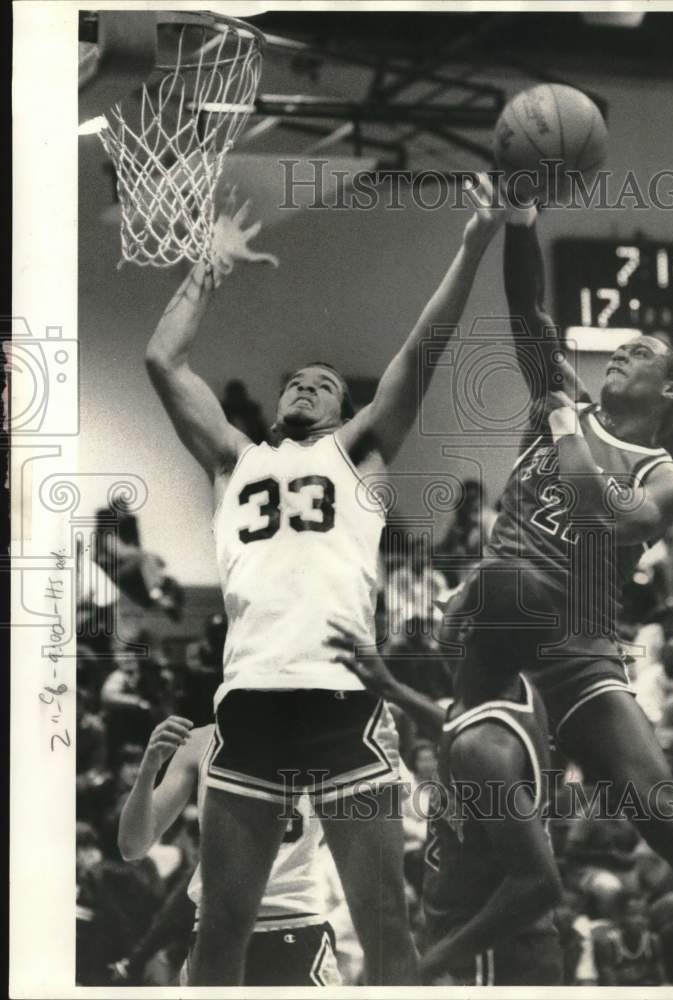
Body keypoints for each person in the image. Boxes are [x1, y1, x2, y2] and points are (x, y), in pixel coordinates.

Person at [144, 179, 506, 984]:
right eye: (296, 380)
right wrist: (206, 267)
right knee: (220, 932)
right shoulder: (235, 459)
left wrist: (473, 241)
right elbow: (161, 360)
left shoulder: (360, 453)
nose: (306, 384)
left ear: (347, 408)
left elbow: (427, 344)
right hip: (251, 699)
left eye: (325, 383)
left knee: (384, 929)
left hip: (340, 695)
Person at [438, 201, 673, 982]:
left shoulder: (665, 476)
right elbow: (526, 308)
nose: (621, 352)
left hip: (577, 652)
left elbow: (602, 516)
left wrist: (562, 421)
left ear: (672, 390)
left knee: (663, 809)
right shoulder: (560, 399)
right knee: (505, 580)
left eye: (641, 351)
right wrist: (517, 218)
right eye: (621, 344)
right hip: (498, 626)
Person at [328, 621, 563, 986]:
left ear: (469, 632)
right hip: (492, 946)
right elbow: (459, 732)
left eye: (457, 603)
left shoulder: (483, 748)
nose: (443, 613)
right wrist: (393, 688)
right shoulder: (509, 695)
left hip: (492, 959)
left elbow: (541, 881)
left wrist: (432, 963)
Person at [118, 715, 342, 986]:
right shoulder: (199, 742)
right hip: (217, 929)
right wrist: (149, 769)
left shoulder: (328, 741)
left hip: (293, 919)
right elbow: (131, 845)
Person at [593, 893, 666, 986]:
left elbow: (663, 982)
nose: (640, 920)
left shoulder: (653, 941)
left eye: (644, 915)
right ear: (620, 917)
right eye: (633, 914)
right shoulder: (608, 945)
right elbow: (611, 987)